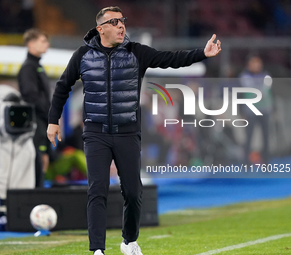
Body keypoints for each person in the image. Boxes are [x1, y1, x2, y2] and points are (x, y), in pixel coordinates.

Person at [47, 6, 221, 255]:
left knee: (132, 191)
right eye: (115, 22)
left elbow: (170, 60)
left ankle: (129, 242)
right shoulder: (82, 55)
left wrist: (201, 54)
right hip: (96, 133)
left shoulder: (136, 52)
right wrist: (53, 120)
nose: (121, 26)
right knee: (97, 190)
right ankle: (97, 249)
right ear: (100, 29)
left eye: (123, 21)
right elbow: (62, 86)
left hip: (127, 132)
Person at [17, 28, 52, 187]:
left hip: (42, 121)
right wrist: (48, 112)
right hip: (35, 121)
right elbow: (31, 96)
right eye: (43, 41)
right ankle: (35, 201)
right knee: (38, 162)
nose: (47, 44)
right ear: (31, 44)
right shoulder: (28, 68)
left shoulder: (38, 66)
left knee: (42, 162)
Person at [239, 55, 273, 164]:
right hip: (250, 111)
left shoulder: (266, 76)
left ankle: (266, 162)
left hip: (265, 110)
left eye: (258, 63)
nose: (256, 65)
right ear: (249, 65)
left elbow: (266, 92)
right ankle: (246, 163)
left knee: (266, 137)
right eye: (253, 63)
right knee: (248, 137)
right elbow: (250, 92)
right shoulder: (244, 76)